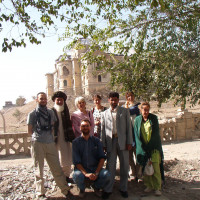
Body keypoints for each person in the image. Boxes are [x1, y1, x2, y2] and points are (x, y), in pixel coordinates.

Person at [27, 92, 70, 198]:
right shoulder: (32, 114)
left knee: (56, 167)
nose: (43, 100)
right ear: (37, 100)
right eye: (41, 99)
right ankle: (40, 192)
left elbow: (52, 127)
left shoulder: (50, 112)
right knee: (39, 170)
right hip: (37, 143)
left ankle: (65, 190)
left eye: (45, 98)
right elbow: (29, 131)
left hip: (50, 143)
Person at [101, 92, 133, 199]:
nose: (114, 102)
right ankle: (108, 189)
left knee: (124, 165)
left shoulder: (124, 111)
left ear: (118, 100)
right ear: (109, 100)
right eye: (112, 100)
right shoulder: (104, 113)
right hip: (111, 142)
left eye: (115, 99)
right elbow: (103, 130)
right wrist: (103, 144)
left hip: (123, 142)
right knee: (110, 166)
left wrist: (129, 142)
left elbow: (129, 128)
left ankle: (123, 188)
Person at [72, 119, 110, 198]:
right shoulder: (76, 142)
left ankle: (96, 187)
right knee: (77, 175)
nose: (85, 128)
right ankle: (82, 189)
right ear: (80, 128)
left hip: (94, 168)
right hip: (82, 169)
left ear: (90, 127)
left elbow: (102, 158)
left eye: (87, 126)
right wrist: (86, 173)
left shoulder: (96, 141)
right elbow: (76, 161)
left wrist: (96, 172)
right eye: (83, 126)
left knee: (106, 174)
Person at [134, 102, 164, 196]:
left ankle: (157, 187)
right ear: (140, 110)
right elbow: (136, 135)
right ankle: (148, 185)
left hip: (153, 148)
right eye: (144, 109)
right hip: (143, 148)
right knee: (146, 168)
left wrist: (149, 147)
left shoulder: (153, 118)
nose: (146, 111)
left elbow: (155, 134)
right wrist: (142, 148)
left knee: (155, 168)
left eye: (147, 110)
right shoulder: (137, 120)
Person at [51, 91, 75, 181]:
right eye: (58, 100)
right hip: (54, 139)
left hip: (65, 138)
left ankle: (66, 176)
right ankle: (57, 177)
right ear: (54, 101)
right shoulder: (51, 111)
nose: (60, 102)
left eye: (61, 100)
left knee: (66, 158)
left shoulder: (65, 111)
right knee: (56, 159)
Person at [123, 92, 141, 181]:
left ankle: (139, 173)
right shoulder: (124, 107)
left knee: (138, 154)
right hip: (127, 134)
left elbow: (132, 111)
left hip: (136, 133)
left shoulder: (138, 106)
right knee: (129, 156)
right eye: (128, 96)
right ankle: (133, 172)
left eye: (131, 96)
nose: (130, 98)